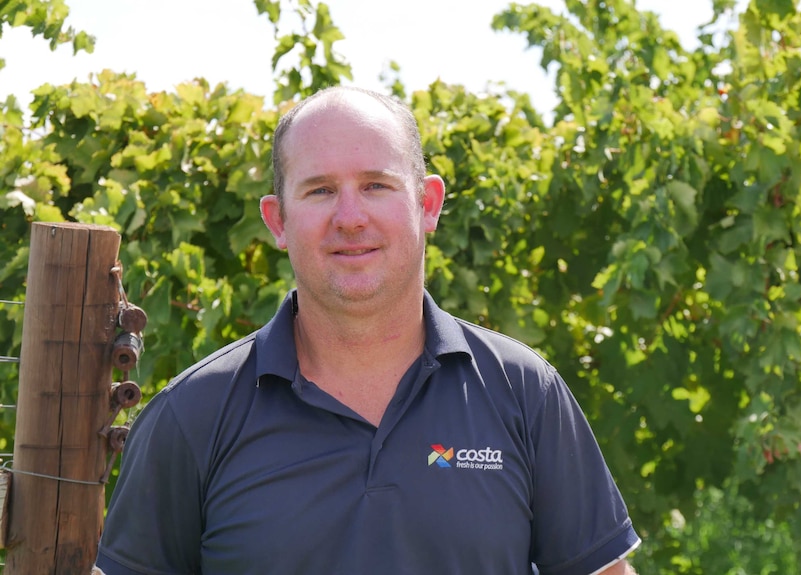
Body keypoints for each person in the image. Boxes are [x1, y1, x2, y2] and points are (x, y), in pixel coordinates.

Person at [94, 86, 641, 575]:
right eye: (320, 191)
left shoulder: (525, 392)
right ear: (277, 221)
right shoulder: (191, 416)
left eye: (376, 185)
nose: (350, 217)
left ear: (427, 204)